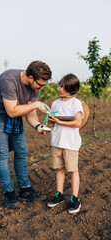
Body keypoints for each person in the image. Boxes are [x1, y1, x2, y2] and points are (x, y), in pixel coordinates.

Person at [0, 60, 52, 208]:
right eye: (40, 85)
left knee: (22, 150)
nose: (41, 88)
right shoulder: (9, 80)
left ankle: (25, 190)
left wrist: (38, 126)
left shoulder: (35, 87)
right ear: (31, 77)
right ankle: (9, 194)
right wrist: (36, 104)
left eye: (44, 85)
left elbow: (29, 111)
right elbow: (12, 111)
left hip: (14, 110)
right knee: (2, 154)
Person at [47, 73, 84, 214]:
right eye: (60, 85)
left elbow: (77, 123)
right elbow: (51, 123)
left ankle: (75, 198)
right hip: (57, 142)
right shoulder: (55, 103)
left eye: (63, 87)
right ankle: (59, 194)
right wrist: (49, 122)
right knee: (59, 169)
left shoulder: (76, 103)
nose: (60, 88)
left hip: (70, 143)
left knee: (73, 170)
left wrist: (59, 121)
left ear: (71, 89)